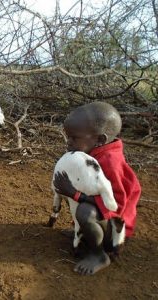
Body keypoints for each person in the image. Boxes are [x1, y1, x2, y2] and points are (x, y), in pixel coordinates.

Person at [53, 101, 141, 275]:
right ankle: (85, 233)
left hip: (115, 231)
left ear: (100, 139)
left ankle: (99, 254)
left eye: (74, 138)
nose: (68, 142)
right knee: (84, 208)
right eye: (67, 136)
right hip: (104, 218)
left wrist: (75, 194)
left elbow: (114, 206)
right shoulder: (91, 151)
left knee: (85, 211)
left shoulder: (110, 162)